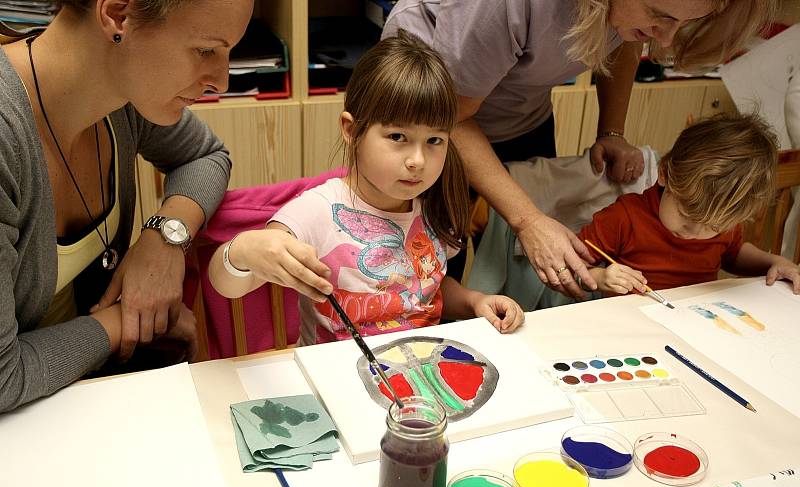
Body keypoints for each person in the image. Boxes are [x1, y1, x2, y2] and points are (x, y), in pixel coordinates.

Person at [382, 0, 778, 299]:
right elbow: (449, 115)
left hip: (517, 113)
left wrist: (612, 130)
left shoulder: (632, 15)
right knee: (423, 271)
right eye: (659, 14)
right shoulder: (503, 6)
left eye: (683, 23)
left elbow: (626, 38)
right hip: (431, 119)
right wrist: (528, 220)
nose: (667, 38)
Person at [0, 0, 253, 412]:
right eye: (206, 50)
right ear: (118, 15)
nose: (221, 81)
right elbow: (3, 379)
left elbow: (205, 156)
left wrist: (163, 238)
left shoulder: (122, 98)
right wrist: (129, 320)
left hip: (79, 402)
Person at [209, 31, 525, 346]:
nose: (417, 160)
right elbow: (227, 284)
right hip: (337, 376)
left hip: (421, 370)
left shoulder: (433, 205)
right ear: (352, 130)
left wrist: (473, 302)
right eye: (398, 137)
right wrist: (242, 251)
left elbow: (427, 292)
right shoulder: (317, 211)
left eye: (434, 141)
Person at [578, 114, 800, 296]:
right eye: (686, 214)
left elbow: (733, 255)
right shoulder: (624, 217)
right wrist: (600, 277)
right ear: (664, 173)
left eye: (712, 227)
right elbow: (570, 265)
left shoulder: (722, 215)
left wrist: (776, 261)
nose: (694, 231)